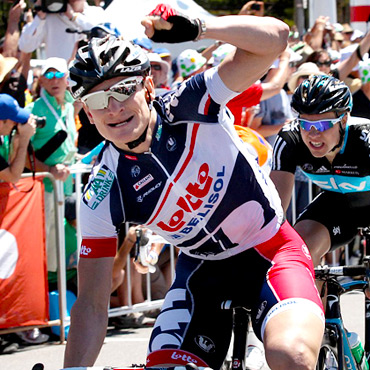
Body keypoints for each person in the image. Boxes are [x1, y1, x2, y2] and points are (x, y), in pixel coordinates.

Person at [63, 5, 325, 370]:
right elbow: (91, 302)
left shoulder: (191, 102)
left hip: (270, 252)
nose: (114, 108)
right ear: (87, 114)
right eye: (96, 100)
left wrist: (201, 27)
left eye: (123, 89)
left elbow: (276, 40)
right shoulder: (104, 189)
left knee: (290, 357)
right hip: (202, 273)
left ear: (148, 85)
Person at [270, 74, 370, 270]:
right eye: (305, 124)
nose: (313, 134)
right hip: (337, 205)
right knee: (299, 251)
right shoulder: (290, 138)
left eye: (323, 124)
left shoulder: (365, 138)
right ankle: (315, 299)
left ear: (344, 120)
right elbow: (276, 211)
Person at [27, 57, 77, 277]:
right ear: (42, 80)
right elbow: (21, 154)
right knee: (47, 250)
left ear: (67, 79)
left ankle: (63, 297)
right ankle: (49, 301)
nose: (54, 79)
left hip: (66, 187)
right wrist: (49, 168)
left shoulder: (68, 105)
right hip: (44, 189)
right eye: (49, 74)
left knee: (64, 248)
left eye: (59, 74)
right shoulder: (33, 110)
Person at [18, 0, 105, 61]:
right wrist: (40, 17)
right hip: (59, 80)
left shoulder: (97, 13)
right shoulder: (49, 18)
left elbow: (104, 35)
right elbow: (25, 47)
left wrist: (73, 17)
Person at [0, 93, 36, 183]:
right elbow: (13, 177)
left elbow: (10, 168)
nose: (16, 124)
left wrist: (16, 144)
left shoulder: (3, 138)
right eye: (13, 120)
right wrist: (24, 140)